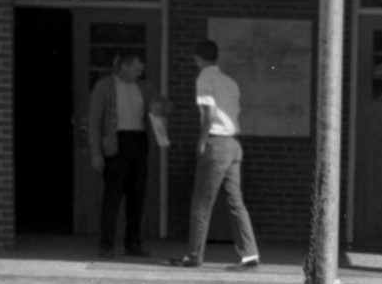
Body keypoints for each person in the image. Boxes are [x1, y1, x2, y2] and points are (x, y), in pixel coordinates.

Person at [174, 39, 259, 271]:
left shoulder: (204, 78)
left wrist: (201, 141)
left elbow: (210, 113)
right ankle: (250, 253)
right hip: (233, 144)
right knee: (235, 201)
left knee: (201, 202)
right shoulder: (230, 82)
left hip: (216, 142)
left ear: (198, 58)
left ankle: (194, 255)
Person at [87, 47, 155, 258]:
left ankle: (133, 243)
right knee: (112, 196)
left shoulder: (144, 87)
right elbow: (95, 120)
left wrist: (162, 108)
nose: (139, 73)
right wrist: (96, 153)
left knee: (137, 197)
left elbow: (161, 107)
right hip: (117, 144)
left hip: (139, 142)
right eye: (136, 68)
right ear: (124, 67)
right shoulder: (104, 86)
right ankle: (106, 244)